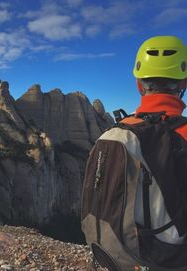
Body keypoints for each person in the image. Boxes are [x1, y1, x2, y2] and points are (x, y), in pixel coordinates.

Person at [81, 35, 187, 271]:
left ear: (139, 84)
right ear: (184, 83)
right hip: (171, 260)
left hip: (115, 256)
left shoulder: (114, 133)